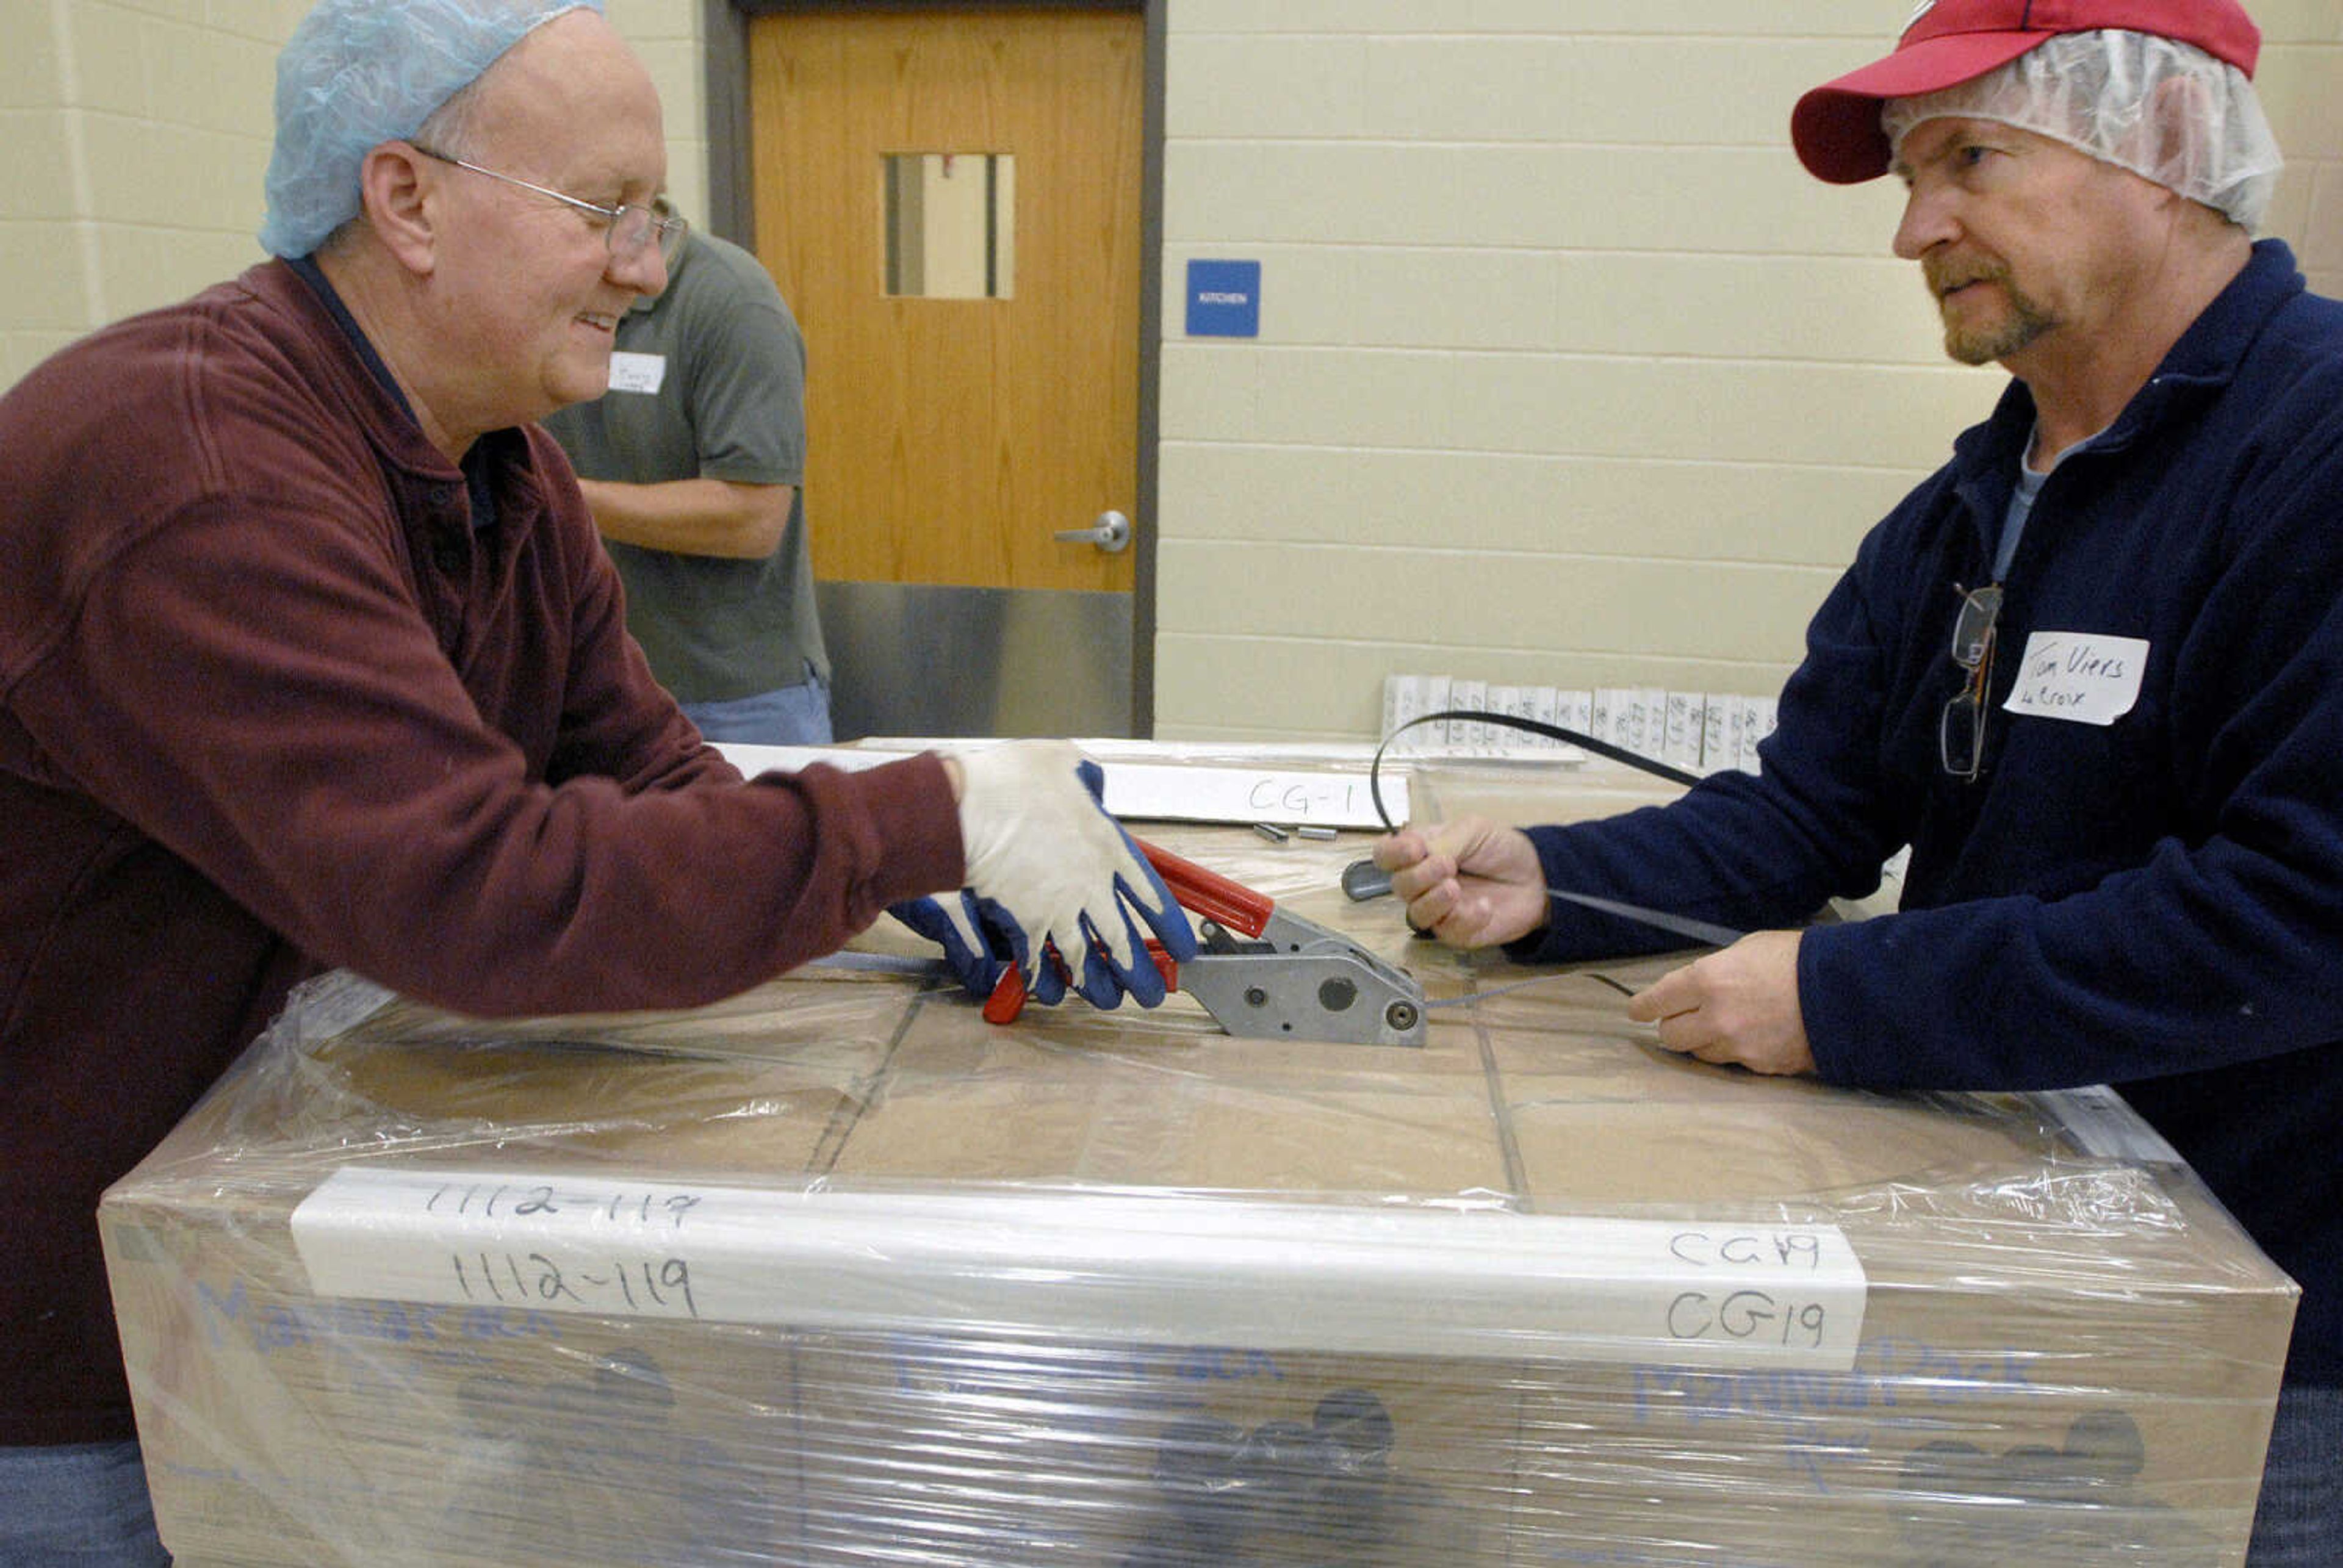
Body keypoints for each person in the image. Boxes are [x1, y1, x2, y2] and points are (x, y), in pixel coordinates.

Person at [0, 1, 1191, 1559]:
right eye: (604, 211)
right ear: (405, 200)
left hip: (241, 1236)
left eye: (657, 216)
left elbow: (638, 766)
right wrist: (928, 810)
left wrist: (891, 887)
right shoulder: (201, 466)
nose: (646, 268)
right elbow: (479, 896)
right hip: (63, 1310)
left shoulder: (502, 463)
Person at [1374, 1, 2336, 1559]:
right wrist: (1559, 883)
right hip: (2011, 1267)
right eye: (1904, 172)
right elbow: (1810, 811)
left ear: (2162, 146)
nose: (1911, 229)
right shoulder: (1971, 506)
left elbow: (2300, 914)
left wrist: (1847, 999)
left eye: (1966, 158)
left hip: (2274, 1334)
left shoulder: (2314, 453)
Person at [542, 211, 834, 744]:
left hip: (733, 699)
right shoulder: (538, 292)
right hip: (584, 689)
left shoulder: (732, 302)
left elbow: (752, 519)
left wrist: (563, 497)